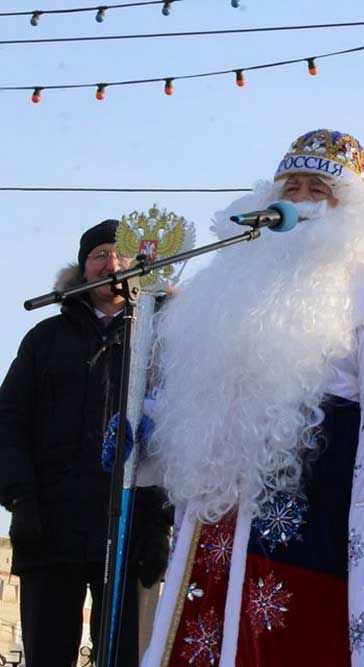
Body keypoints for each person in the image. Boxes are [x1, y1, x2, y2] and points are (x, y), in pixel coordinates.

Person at [139, 129, 364, 666]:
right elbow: (192, 392)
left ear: (347, 208)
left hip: (311, 523)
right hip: (219, 525)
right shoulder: (232, 278)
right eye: (290, 186)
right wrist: (149, 433)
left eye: (315, 188)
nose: (297, 200)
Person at [0, 219, 172, 666]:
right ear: (82, 268)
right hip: (50, 527)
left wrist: (161, 524)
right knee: (48, 652)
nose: (109, 264)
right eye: (99, 255)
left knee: (129, 655)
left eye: (119, 254)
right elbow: (8, 422)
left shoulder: (160, 341)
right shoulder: (45, 340)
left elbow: (179, 434)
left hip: (130, 530)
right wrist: (21, 498)